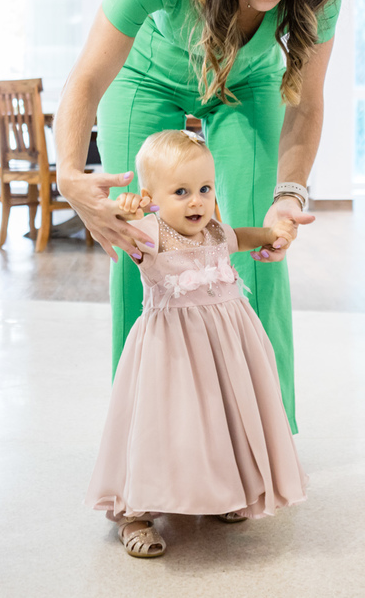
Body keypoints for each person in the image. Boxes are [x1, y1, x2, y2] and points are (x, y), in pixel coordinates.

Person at [55, 0, 343, 434]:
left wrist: (290, 193)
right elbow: (88, 76)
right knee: (140, 243)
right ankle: (143, 438)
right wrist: (69, 177)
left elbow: (307, 104)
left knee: (264, 248)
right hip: (147, 76)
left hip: (249, 82)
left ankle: (263, 435)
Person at [85, 130, 309, 558]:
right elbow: (112, 226)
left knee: (216, 420)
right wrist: (124, 208)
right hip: (172, 354)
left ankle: (219, 491)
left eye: (205, 189)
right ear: (151, 196)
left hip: (224, 349)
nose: (197, 202)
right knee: (166, 425)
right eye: (182, 192)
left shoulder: (212, 232)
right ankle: (136, 511)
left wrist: (273, 232)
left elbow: (241, 238)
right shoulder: (147, 235)